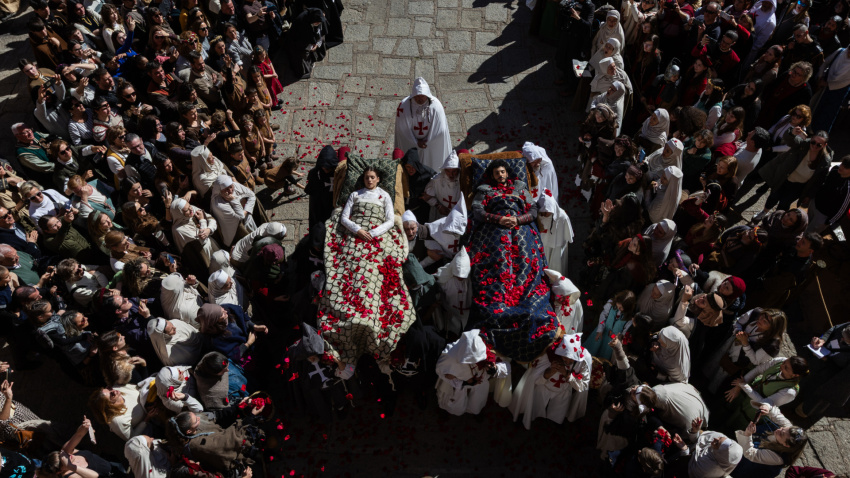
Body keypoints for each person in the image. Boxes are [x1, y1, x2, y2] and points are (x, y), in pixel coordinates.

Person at [510, 333, 592, 428]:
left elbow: (583, 386)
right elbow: (535, 379)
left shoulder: (584, 360)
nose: (568, 362)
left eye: (572, 359)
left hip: (564, 391)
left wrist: (566, 374)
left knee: (556, 418)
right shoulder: (549, 354)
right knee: (534, 411)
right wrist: (549, 372)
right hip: (543, 387)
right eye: (565, 357)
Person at [753, 130, 831, 222]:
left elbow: (819, 181)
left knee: (784, 204)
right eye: (813, 142)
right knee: (773, 196)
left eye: (819, 144)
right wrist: (791, 132)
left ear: (825, 145)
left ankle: (776, 219)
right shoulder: (803, 145)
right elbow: (790, 140)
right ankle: (764, 212)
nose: (814, 145)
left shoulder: (825, 161)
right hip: (785, 178)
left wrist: (809, 195)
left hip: (798, 186)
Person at [435, 329, 510, 416]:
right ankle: (446, 410)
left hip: (480, 385)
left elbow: (507, 367)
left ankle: (475, 412)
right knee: (453, 406)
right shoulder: (450, 354)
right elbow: (440, 372)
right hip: (457, 387)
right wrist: (462, 383)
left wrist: (496, 369)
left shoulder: (490, 349)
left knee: (476, 406)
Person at [394, 77, 452, 173]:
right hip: (410, 142)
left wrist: (428, 141)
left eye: (423, 96)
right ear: (413, 95)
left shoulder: (436, 106)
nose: (420, 99)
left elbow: (441, 129)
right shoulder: (404, 106)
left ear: (427, 95)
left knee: (431, 164)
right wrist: (415, 142)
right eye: (417, 96)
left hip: (430, 144)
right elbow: (402, 129)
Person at [732, 406, 808, 477]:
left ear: (786, 445)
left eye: (781, 434)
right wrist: (768, 408)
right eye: (782, 428)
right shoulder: (788, 431)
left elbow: (750, 453)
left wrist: (747, 435)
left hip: (750, 465)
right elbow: (776, 414)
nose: (778, 430)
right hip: (751, 449)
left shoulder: (778, 458)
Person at [432, 247, 471, 336]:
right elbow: (435, 283)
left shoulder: (470, 279)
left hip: (467, 312)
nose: (460, 278)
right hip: (450, 311)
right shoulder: (445, 276)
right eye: (458, 275)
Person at [810, 46, 850, 134]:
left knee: (828, 113)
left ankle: (820, 135)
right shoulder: (840, 51)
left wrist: (828, 84)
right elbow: (826, 62)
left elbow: (846, 82)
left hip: (838, 90)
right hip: (823, 84)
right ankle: (810, 129)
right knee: (816, 106)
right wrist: (820, 77)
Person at [806, 155, 850, 233]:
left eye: (846, 167)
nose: (841, 167)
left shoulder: (848, 187)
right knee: (804, 225)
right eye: (842, 163)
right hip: (814, 203)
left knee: (808, 234)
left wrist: (829, 221)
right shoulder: (835, 169)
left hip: (823, 215)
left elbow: (843, 208)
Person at [210, 175, 256, 247]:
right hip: (235, 229)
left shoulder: (234, 185)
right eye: (226, 189)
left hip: (246, 217)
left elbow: (252, 195)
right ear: (220, 191)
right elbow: (241, 216)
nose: (230, 191)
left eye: (231, 187)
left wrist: (246, 210)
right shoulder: (218, 204)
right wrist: (233, 200)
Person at [304, 145, 341, 227]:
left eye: (328, 167)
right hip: (320, 202)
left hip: (334, 201)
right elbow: (310, 190)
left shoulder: (339, 172)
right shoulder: (315, 173)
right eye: (323, 167)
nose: (325, 169)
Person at [537, 193, 573, 274]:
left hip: (557, 246)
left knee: (557, 268)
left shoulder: (562, 216)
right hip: (543, 245)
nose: (544, 215)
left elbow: (567, 237)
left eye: (546, 212)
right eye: (542, 213)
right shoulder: (538, 215)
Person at [423, 150, 462, 221]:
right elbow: (426, 197)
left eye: (454, 171)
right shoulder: (436, 180)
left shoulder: (462, 181)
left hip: (458, 215)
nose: (451, 174)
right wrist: (439, 206)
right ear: (444, 170)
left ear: (458, 170)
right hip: (441, 215)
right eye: (448, 171)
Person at [544, 269, 584, 334]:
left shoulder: (576, 302)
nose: (565, 300)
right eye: (562, 297)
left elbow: (579, 320)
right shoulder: (549, 303)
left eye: (568, 296)